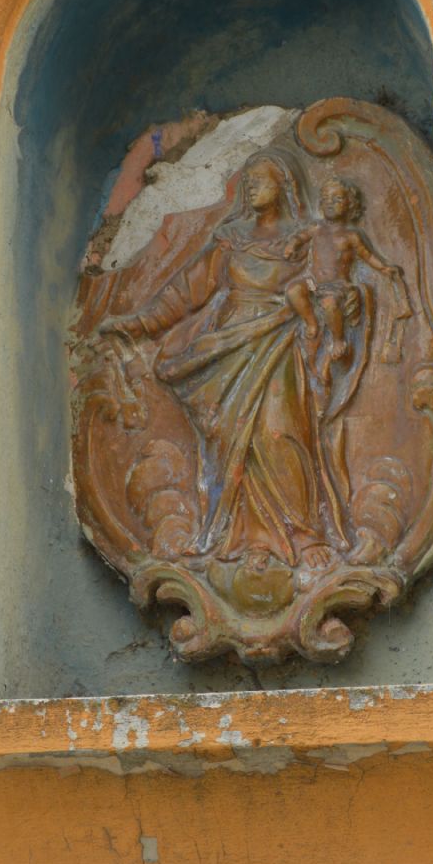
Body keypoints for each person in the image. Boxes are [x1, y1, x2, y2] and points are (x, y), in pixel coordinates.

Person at [100, 155, 349, 569]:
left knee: (278, 432)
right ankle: (242, 536)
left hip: (277, 342)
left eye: (261, 180)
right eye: (247, 180)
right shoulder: (231, 240)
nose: (251, 186)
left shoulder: (304, 240)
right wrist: (139, 325)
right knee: (229, 436)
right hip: (228, 345)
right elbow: (185, 292)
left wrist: (336, 309)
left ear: (284, 186)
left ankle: (303, 534)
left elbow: (330, 282)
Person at [284, 177, 402, 382]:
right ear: (320, 203)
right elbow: (300, 237)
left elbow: (367, 256)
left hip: (337, 286)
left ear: (350, 204)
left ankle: (338, 339)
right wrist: (291, 245)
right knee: (293, 290)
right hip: (313, 283)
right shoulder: (316, 228)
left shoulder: (351, 236)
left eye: (337, 199)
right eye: (326, 199)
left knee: (330, 304)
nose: (330, 203)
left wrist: (383, 268)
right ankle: (311, 322)